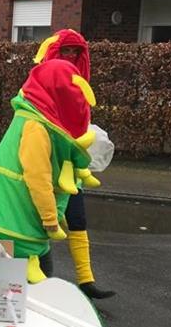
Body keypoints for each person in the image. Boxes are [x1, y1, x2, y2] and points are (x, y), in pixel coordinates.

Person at [0, 59, 100, 284]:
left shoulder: (33, 118)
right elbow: (38, 178)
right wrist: (51, 219)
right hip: (10, 230)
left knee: (8, 297)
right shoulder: (35, 126)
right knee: (7, 300)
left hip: (8, 227)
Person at [31, 29, 115, 299]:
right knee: (41, 221)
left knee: (77, 219)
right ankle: (40, 283)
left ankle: (86, 280)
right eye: (65, 51)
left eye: (75, 52)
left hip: (72, 167)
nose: (70, 57)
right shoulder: (40, 83)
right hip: (44, 164)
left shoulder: (78, 85)